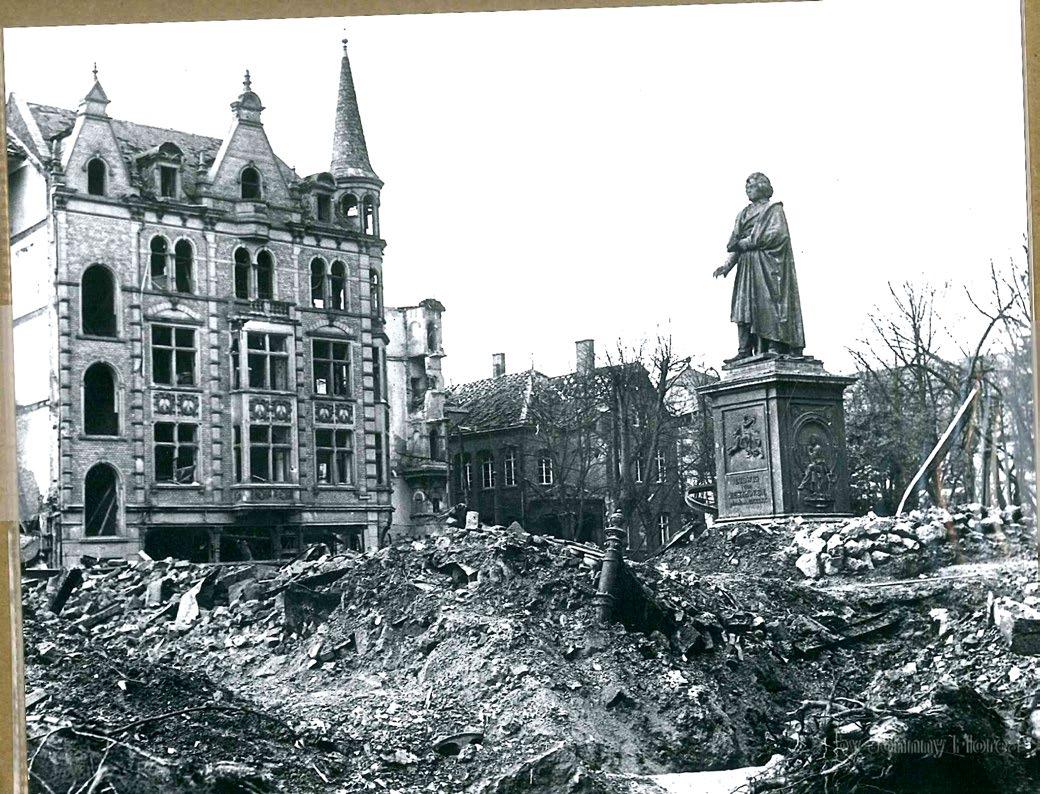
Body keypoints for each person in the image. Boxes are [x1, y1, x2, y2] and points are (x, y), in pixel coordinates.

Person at [713, 172, 805, 360]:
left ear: (762, 187)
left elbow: (778, 235)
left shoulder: (773, 210)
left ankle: (773, 345)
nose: (748, 190)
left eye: (752, 186)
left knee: (768, 304)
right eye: (746, 187)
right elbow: (736, 244)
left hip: (767, 265)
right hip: (747, 267)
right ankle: (744, 349)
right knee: (743, 306)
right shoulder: (743, 214)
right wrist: (727, 265)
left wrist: (749, 242)